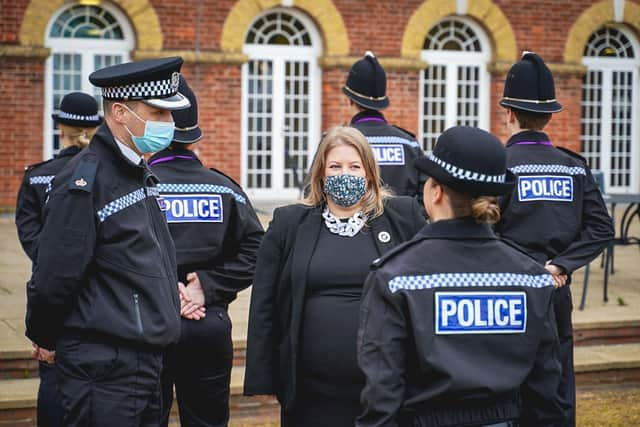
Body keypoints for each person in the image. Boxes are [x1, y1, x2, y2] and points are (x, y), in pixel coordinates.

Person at [357, 126, 567, 427]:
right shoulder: (531, 277)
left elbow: (382, 393)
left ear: (436, 192)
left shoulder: (396, 277)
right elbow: (546, 391)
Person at [25, 57, 190, 427]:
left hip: (143, 361)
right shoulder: (85, 182)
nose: (169, 124)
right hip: (105, 368)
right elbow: (54, 274)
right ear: (120, 112)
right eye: (158, 113)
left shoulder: (136, 171)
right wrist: (43, 335)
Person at [244, 126, 425, 426]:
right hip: (311, 393)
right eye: (336, 166)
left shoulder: (402, 217)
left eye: (355, 166)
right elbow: (264, 302)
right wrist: (264, 377)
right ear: (321, 174)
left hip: (386, 391)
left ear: (369, 173)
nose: (345, 174)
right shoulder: (289, 223)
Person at [495, 52, 614, 426]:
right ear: (549, 115)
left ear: (509, 113)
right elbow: (601, 229)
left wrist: (529, 268)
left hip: (509, 289)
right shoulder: (573, 166)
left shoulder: (499, 164)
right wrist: (558, 265)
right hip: (556, 287)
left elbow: (486, 229)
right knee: (559, 379)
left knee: (509, 376)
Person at [149, 76, 264, 427]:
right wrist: (208, 286)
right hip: (208, 324)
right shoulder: (224, 189)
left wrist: (170, 292)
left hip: (148, 323)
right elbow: (258, 248)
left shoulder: (137, 186)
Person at [16, 91, 101, 427]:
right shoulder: (107, 175)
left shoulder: (37, 176)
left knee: (53, 380)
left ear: (59, 129)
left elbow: (30, 237)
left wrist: (55, 261)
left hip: (51, 292)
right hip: (99, 292)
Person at [344, 52, 425, 200]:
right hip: (402, 223)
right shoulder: (409, 143)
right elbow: (425, 197)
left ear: (350, 100)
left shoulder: (336, 143)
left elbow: (313, 195)